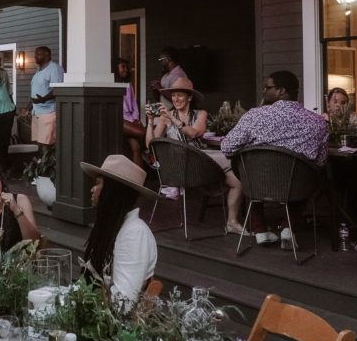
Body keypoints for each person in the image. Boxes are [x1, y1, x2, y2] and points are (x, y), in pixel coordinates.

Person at [220, 70, 328, 249]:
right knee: (308, 176)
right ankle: (288, 228)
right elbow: (321, 161)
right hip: (297, 186)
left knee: (252, 173)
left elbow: (227, 147)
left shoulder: (255, 116)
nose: (263, 91)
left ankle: (260, 229)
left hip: (258, 183)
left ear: (281, 91)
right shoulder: (317, 122)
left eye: (267, 87)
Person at [145, 77, 247, 234]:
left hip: (200, 159)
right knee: (231, 159)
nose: (175, 99)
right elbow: (150, 144)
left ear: (190, 97)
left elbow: (193, 134)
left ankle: (232, 222)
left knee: (237, 181)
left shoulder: (200, 114)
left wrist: (173, 118)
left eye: (180, 95)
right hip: (179, 163)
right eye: (173, 96)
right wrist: (151, 122)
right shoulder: (166, 117)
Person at [80, 154, 158, 310]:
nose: (92, 189)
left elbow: (123, 303)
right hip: (99, 315)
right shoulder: (114, 227)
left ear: (112, 192)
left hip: (118, 329)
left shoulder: (135, 233)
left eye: (98, 183)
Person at [23, 46, 64, 153]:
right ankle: (41, 168)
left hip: (48, 112)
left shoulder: (54, 68)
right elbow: (36, 94)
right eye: (35, 54)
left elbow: (58, 89)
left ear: (47, 54)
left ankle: (47, 169)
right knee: (40, 144)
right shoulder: (39, 71)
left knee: (47, 144)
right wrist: (27, 108)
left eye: (38, 53)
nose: (35, 56)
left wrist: (44, 99)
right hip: (37, 112)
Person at [117, 59, 146, 168]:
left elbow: (133, 105)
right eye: (123, 67)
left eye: (126, 67)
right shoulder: (112, 85)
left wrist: (136, 119)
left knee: (136, 147)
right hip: (119, 120)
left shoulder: (129, 85)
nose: (126, 70)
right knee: (142, 133)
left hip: (130, 119)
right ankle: (148, 151)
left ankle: (138, 182)